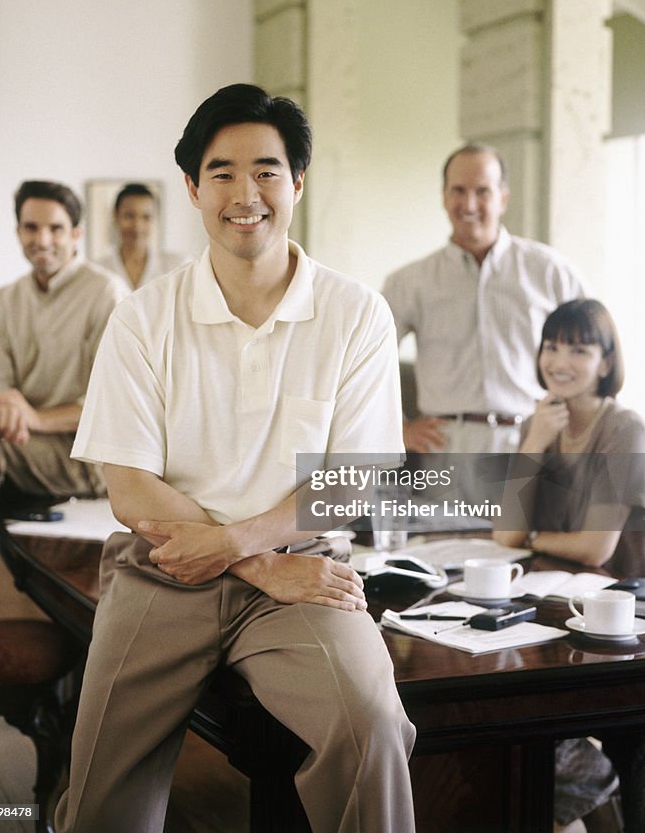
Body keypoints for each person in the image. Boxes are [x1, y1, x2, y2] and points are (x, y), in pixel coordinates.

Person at [55, 84, 416, 833]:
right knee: (98, 799)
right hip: (162, 566)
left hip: (301, 572)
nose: (245, 193)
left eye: (267, 171)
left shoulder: (356, 315)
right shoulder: (141, 318)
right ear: (192, 189)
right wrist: (252, 560)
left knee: (372, 725)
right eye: (221, 173)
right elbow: (128, 486)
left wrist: (244, 548)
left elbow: (357, 477)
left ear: (297, 183)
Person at [494, 298, 645, 833]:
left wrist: (532, 534)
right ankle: (578, 800)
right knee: (514, 711)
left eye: (579, 348)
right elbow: (504, 534)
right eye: (552, 346)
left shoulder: (625, 430)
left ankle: (603, 804)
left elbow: (597, 547)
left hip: (641, 623)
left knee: (542, 726)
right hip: (571, 611)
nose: (560, 360)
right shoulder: (542, 422)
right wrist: (532, 446)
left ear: (605, 361)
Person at [0, 180, 128, 626]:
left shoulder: (106, 294)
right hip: (24, 448)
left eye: (55, 228)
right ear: (18, 232)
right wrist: (1, 402)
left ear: (76, 233)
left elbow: (111, 404)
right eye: (31, 227)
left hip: (86, 458)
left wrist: (31, 417)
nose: (42, 239)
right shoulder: (6, 300)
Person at [382, 143, 587, 459]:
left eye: (483, 191)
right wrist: (399, 427)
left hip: (534, 441)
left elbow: (593, 351)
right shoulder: (409, 282)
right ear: (444, 197)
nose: (469, 204)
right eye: (458, 190)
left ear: (503, 198)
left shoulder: (551, 272)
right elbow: (364, 363)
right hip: (446, 450)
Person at [96, 182, 189, 290]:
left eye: (146, 217)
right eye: (129, 216)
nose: (137, 226)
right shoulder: (98, 270)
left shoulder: (177, 266)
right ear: (116, 217)